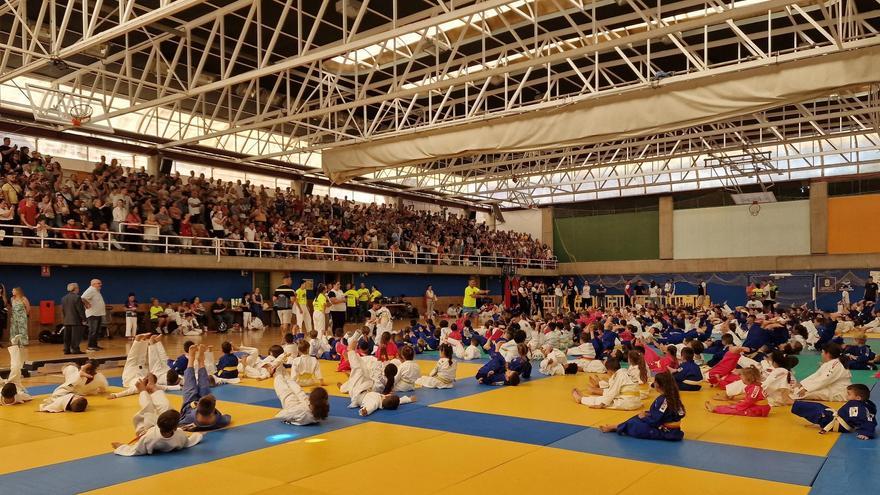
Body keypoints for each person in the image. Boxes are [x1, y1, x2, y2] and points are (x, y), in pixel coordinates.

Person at [599, 372, 685, 441]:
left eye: (655, 382)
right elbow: (680, 414)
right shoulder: (673, 397)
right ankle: (617, 426)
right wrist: (649, 415)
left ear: (658, 384)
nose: (653, 383)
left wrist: (645, 418)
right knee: (638, 417)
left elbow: (655, 421)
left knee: (635, 424)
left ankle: (616, 427)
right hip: (670, 429)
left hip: (666, 432)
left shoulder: (665, 400)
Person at [792, 384, 876, 439]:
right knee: (819, 406)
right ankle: (794, 404)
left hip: (836, 424)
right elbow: (867, 417)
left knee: (816, 408)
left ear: (858, 398)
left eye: (849, 394)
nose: (847, 396)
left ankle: (793, 403)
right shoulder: (865, 405)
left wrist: (865, 433)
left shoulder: (857, 406)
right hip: (837, 419)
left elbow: (867, 420)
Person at [178, 345, 231, 431]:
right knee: (204, 387)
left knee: (190, 387)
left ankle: (191, 359)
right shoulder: (219, 420)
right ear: (213, 410)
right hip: (202, 408)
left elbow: (178, 424)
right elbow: (228, 417)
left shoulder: (189, 419)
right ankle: (201, 361)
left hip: (189, 405)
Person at [113, 408, 203, 456]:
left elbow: (136, 450)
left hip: (146, 430)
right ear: (175, 428)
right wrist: (198, 435)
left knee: (140, 417)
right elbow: (187, 442)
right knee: (154, 410)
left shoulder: (148, 437)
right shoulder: (179, 435)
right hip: (156, 429)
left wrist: (121, 447)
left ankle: (146, 392)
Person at [572, 357, 640, 409]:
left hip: (628, 402)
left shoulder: (619, 375)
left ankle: (581, 399)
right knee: (607, 395)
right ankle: (588, 395)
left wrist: (601, 405)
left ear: (609, 371)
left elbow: (612, 393)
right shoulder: (624, 371)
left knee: (599, 400)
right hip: (636, 401)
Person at [705, 367, 770, 417]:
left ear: (748, 378)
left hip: (758, 410)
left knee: (734, 410)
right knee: (735, 406)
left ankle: (715, 409)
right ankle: (718, 407)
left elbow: (749, 401)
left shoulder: (755, 388)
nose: (740, 377)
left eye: (742, 376)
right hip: (757, 407)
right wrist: (739, 403)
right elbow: (751, 399)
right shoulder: (755, 385)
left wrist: (738, 406)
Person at [80, 279, 106, 351]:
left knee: (96, 331)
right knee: (93, 331)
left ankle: (94, 345)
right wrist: (87, 304)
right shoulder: (91, 290)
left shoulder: (96, 290)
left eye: (100, 283)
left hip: (97, 314)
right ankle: (90, 346)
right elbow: (82, 298)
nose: (101, 284)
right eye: (98, 283)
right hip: (93, 314)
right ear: (93, 284)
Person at [61, 283, 86, 354]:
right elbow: (80, 310)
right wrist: (84, 319)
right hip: (76, 320)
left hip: (67, 320)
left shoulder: (64, 298)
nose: (79, 289)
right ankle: (75, 349)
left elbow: (63, 310)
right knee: (76, 336)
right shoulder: (77, 297)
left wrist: (65, 318)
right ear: (75, 289)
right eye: (78, 288)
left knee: (67, 336)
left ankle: (66, 350)